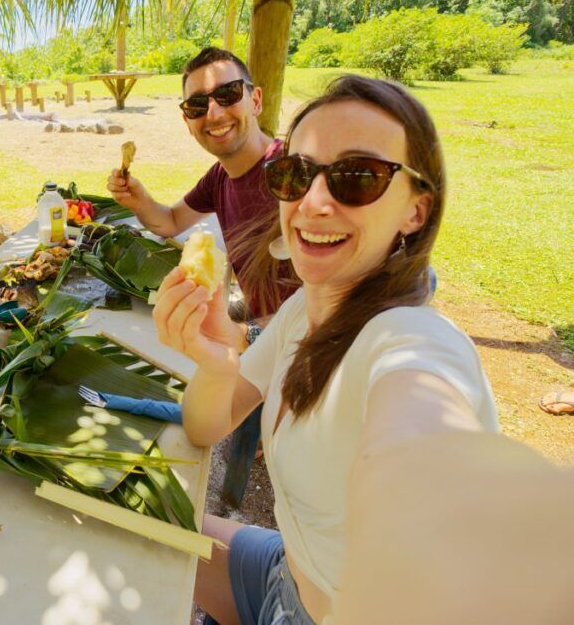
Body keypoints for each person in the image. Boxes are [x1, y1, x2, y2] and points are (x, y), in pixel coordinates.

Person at [153, 75, 501, 624]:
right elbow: (203, 428)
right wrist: (218, 363)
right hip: (284, 570)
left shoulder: (414, 343)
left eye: (357, 177)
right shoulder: (300, 313)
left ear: (416, 210)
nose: (313, 203)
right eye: (296, 174)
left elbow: (425, 417)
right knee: (148, 527)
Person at [107, 46, 297, 326]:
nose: (214, 113)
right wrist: (140, 201)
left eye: (228, 94)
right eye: (197, 106)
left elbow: (331, 298)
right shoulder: (219, 177)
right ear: (188, 122)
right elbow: (171, 222)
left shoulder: (295, 174)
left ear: (255, 100)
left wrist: (247, 336)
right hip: (260, 334)